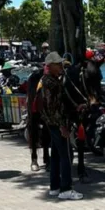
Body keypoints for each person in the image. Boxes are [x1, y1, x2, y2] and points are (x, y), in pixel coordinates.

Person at [41, 52, 82, 200]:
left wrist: (76, 107)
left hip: (53, 123)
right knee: (66, 155)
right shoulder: (51, 83)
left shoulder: (51, 80)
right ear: (50, 66)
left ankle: (54, 186)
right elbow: (53, 108)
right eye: (58, 65)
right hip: (57, 123)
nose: (61, 67)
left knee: (56, 156)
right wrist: (62, 126)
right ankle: (66, 188)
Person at [25, 63, 49, 172]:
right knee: (33, 127)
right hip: (36, 106)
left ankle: (47, 156)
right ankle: (34, 158)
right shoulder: (35, 78)